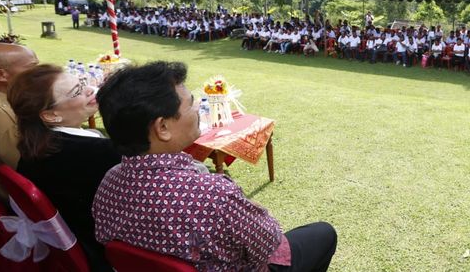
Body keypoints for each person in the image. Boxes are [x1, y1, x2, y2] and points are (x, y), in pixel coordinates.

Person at [93, 61, 337, 271]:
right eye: (190, 103)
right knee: (323, 233)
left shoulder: (108, 182)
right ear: (162, 128)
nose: (199, 106)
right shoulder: (214, 196)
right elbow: (270, 243)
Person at [8, 64, 121, 271]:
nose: (89, 90)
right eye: (77, 91)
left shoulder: (35, 147)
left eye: (82, 83)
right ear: (51, 115)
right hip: (105, 251)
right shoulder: (99, 153)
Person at [0, 43, 38, 200]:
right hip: (20, 201)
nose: (39, 73)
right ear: (1, 75)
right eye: (32, 67)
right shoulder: (1, 114)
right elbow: (30, 164)